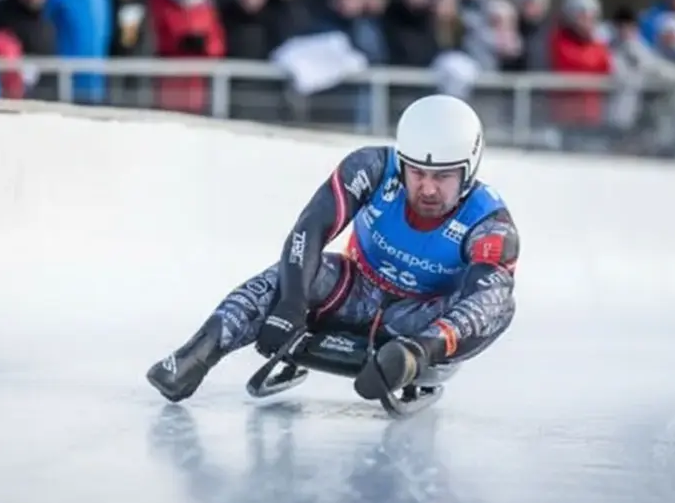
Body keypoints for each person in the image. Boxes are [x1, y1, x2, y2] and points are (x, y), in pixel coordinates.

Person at [146, 94, 520, 403]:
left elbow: (488, 298)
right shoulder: (372, 167)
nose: (427, 189)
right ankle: (196, 355)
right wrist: (291, 304)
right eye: (417, 173)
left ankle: (409, 356)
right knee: (293, 272)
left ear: (468, 171)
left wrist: (419, 352)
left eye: (442, 176)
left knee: (500, 302)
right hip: (355, 288)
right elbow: (311, 226)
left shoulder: (490, 221)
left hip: (418, 317)